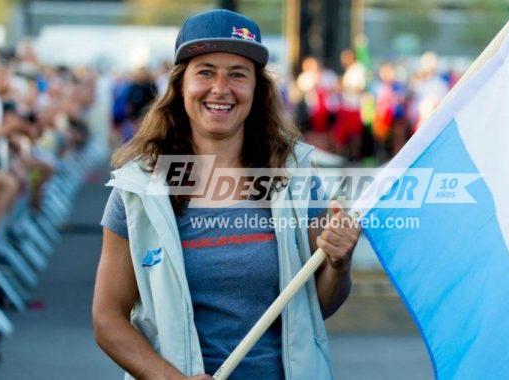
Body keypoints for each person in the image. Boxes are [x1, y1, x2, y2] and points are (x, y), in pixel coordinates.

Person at [93, 9, 361, 380]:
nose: (221, 88)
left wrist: (338, 264)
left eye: (238, 74)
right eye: (205, 71)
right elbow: (107, 319)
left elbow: (318, 305)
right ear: (180, 84)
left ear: (256, 88)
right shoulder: (138, 186)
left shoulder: (293, 176)